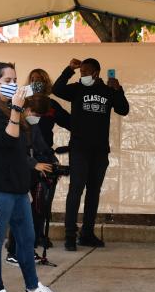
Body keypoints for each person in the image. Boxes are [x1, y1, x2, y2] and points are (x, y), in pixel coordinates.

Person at [0, 62, 63, 292]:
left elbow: (22, 146)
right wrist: (16, 110)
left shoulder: (6, 107)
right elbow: (7, 140)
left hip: (17, 187)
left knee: (26, 239)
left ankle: (32, 287)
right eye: (7, 81)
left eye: (15, 79)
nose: (13, 84)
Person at [52, 57, 129, 251]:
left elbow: (123, 109)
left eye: (85, 72)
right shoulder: (77, 89)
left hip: (100, 150)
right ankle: (70, 235)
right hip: (79, 149)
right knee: (76, 189)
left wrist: (118, 89)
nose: (82, 75)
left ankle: (87, 233)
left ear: (96, 72)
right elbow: (57, 89)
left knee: (93, 192)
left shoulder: (108, 90)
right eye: (81, 72)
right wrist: (69, 69)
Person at [10, 67, 70, 265]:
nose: (37, 117)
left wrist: (53, 162)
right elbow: (16, 150)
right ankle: (13, 250)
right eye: (36, 113)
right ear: (27, 109)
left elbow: (41, 144)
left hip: (38, 164)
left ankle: (30, 245)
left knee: (37, 209)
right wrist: (34, 164)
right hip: (20, 170)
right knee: (21, 209)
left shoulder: (34, 123)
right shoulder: (16, 122)